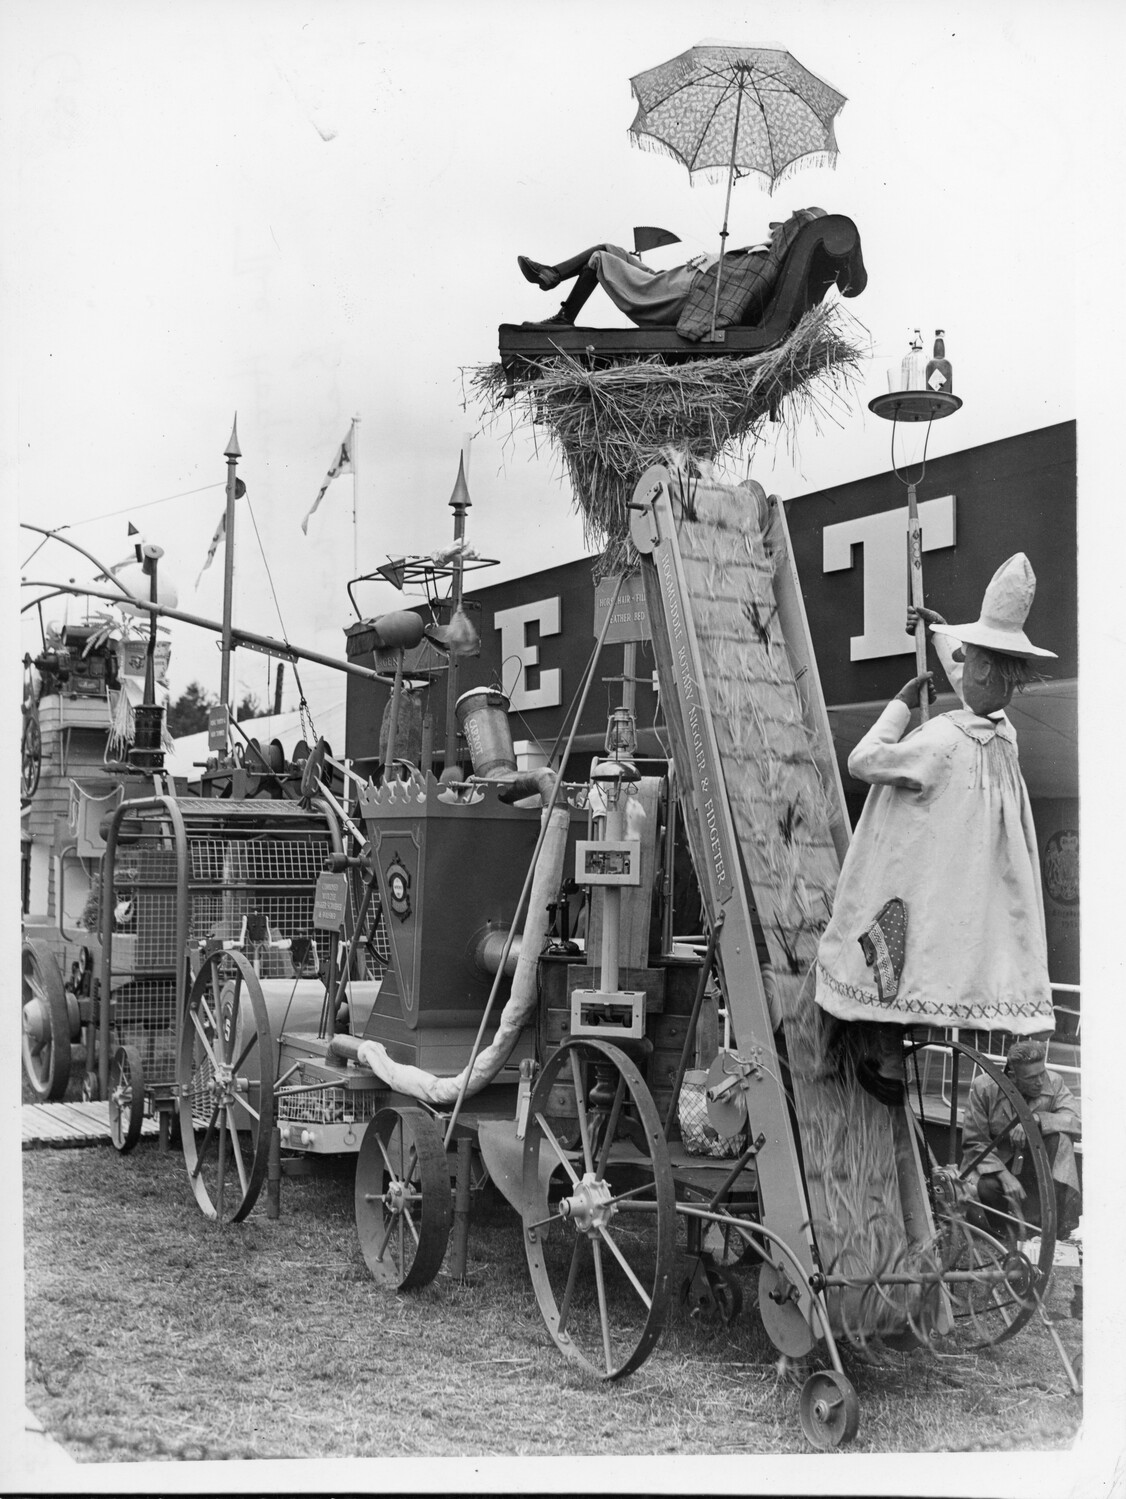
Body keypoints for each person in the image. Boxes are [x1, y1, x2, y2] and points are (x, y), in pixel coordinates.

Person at [813, 553, 1058, 1105]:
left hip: (929, 877)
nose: (964, 663)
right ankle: (1027, 1059)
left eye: (969, 657)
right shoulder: (1004, 735)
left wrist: (899, 706)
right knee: (942, 952)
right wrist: (938, 627)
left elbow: (864, 760)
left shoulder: (940, 740)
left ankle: (884, 1053)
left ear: (983, 668)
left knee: (886, 934)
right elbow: (976, 680)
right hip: (977, 894)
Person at [516, 207, 826, 340]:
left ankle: (564, 318)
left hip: (678, 292)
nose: (776, 230)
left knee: (600, 260)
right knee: (608, 248)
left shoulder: (763, 261)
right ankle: (551, 275)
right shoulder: (759, 254)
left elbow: (732, 300)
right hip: (674, 279)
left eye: (783, 228)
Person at [961, 1039, 1082, 1240]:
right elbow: (975, 1142)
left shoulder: (1055, 1082)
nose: (1039, 1082)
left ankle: (1045, 1225)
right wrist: (1004, 1175)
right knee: (987, 1188)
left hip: (1033, 1165)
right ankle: (1001, 1232)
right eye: (1031, 1077)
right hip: (995, 1165)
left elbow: (1074, 1121)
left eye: (1041, 1073)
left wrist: (1034, 1120)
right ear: (1012, 1076)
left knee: (1060, 1138)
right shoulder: (984, 1088)